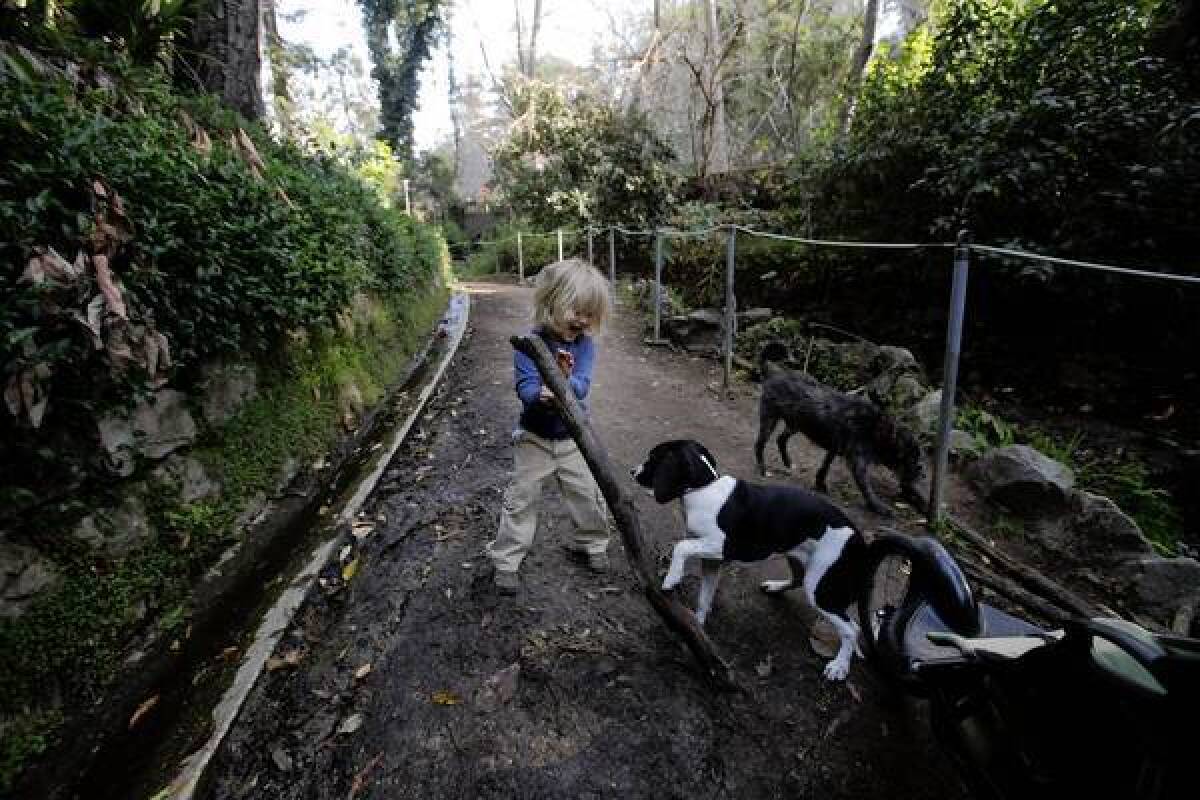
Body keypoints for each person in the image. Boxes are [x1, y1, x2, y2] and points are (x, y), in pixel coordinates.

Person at [487, 258, 613, 595]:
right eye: (576, 309)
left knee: (587, 493)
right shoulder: (529, 343)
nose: (582, 319)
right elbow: (525, 387)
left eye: (589, 313)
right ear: (550, 301)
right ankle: (507, 560)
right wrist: (539, 394)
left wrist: (566, 384)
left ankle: (594, 544)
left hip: (574, 437)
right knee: (521, 497)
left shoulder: (584, 344)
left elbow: (583, 384)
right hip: (534, 438)